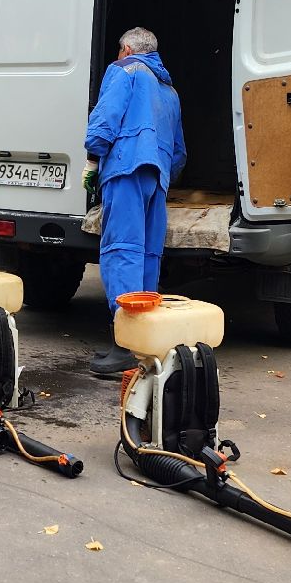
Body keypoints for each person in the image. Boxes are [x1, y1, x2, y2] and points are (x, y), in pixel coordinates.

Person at [83, 27, 186, 375]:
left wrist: (93, 158)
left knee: (122, 251)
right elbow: (178, 151)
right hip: (157, 176)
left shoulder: (125, 71)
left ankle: (124, 343)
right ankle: (143, 339)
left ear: (126, 49)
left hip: (126, 169)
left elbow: (106, 118)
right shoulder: (169, 90)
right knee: (147, 254)